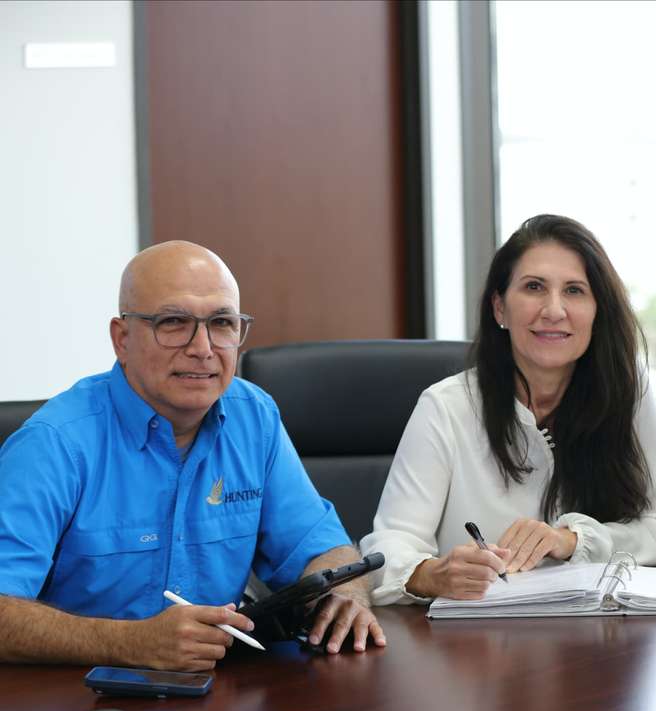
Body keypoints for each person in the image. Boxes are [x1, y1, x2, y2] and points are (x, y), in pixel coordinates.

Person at [0, 241, 384, 672]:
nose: (202, 347)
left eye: (221, 323)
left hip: (218, 700)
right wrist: (130, 643)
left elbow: (322, 549)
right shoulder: (54, 444)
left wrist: (345, 598)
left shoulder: (252, 417)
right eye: (174, 322)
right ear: (122, 339)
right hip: (73, 709)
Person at [363, 214, 656, 604]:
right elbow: (389, 547)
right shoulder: (446, 407)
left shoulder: (628, 391)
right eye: (534, 287)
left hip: (600, 638)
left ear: (598, 311)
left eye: (575, 291)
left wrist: (573, 540)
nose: (554, 310)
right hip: (477, 647)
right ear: (499, 309)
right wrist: (433, 574)